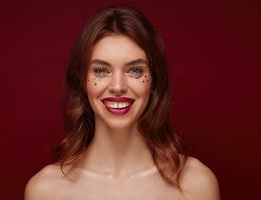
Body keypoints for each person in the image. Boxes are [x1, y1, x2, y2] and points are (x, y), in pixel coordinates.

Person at [25, 5, 220, 200]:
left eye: (135, 70)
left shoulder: (195, 184)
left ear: (153, 81)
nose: (118, 87)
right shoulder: (45, 191)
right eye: (101, 71)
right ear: (83, 81)